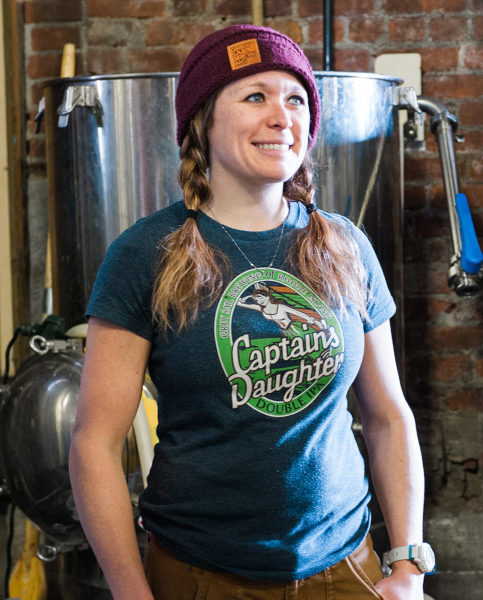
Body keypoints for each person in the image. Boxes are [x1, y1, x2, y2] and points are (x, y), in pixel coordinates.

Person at [68, 24, 432, 599]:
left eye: (295, 100)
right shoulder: (146, 253)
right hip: (201, 576)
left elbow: (389, 416)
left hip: (346, 568)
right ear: (203, 122)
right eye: (255, 96)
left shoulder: (344, 244)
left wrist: (408, 563)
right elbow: (95, 445)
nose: (281, 117)